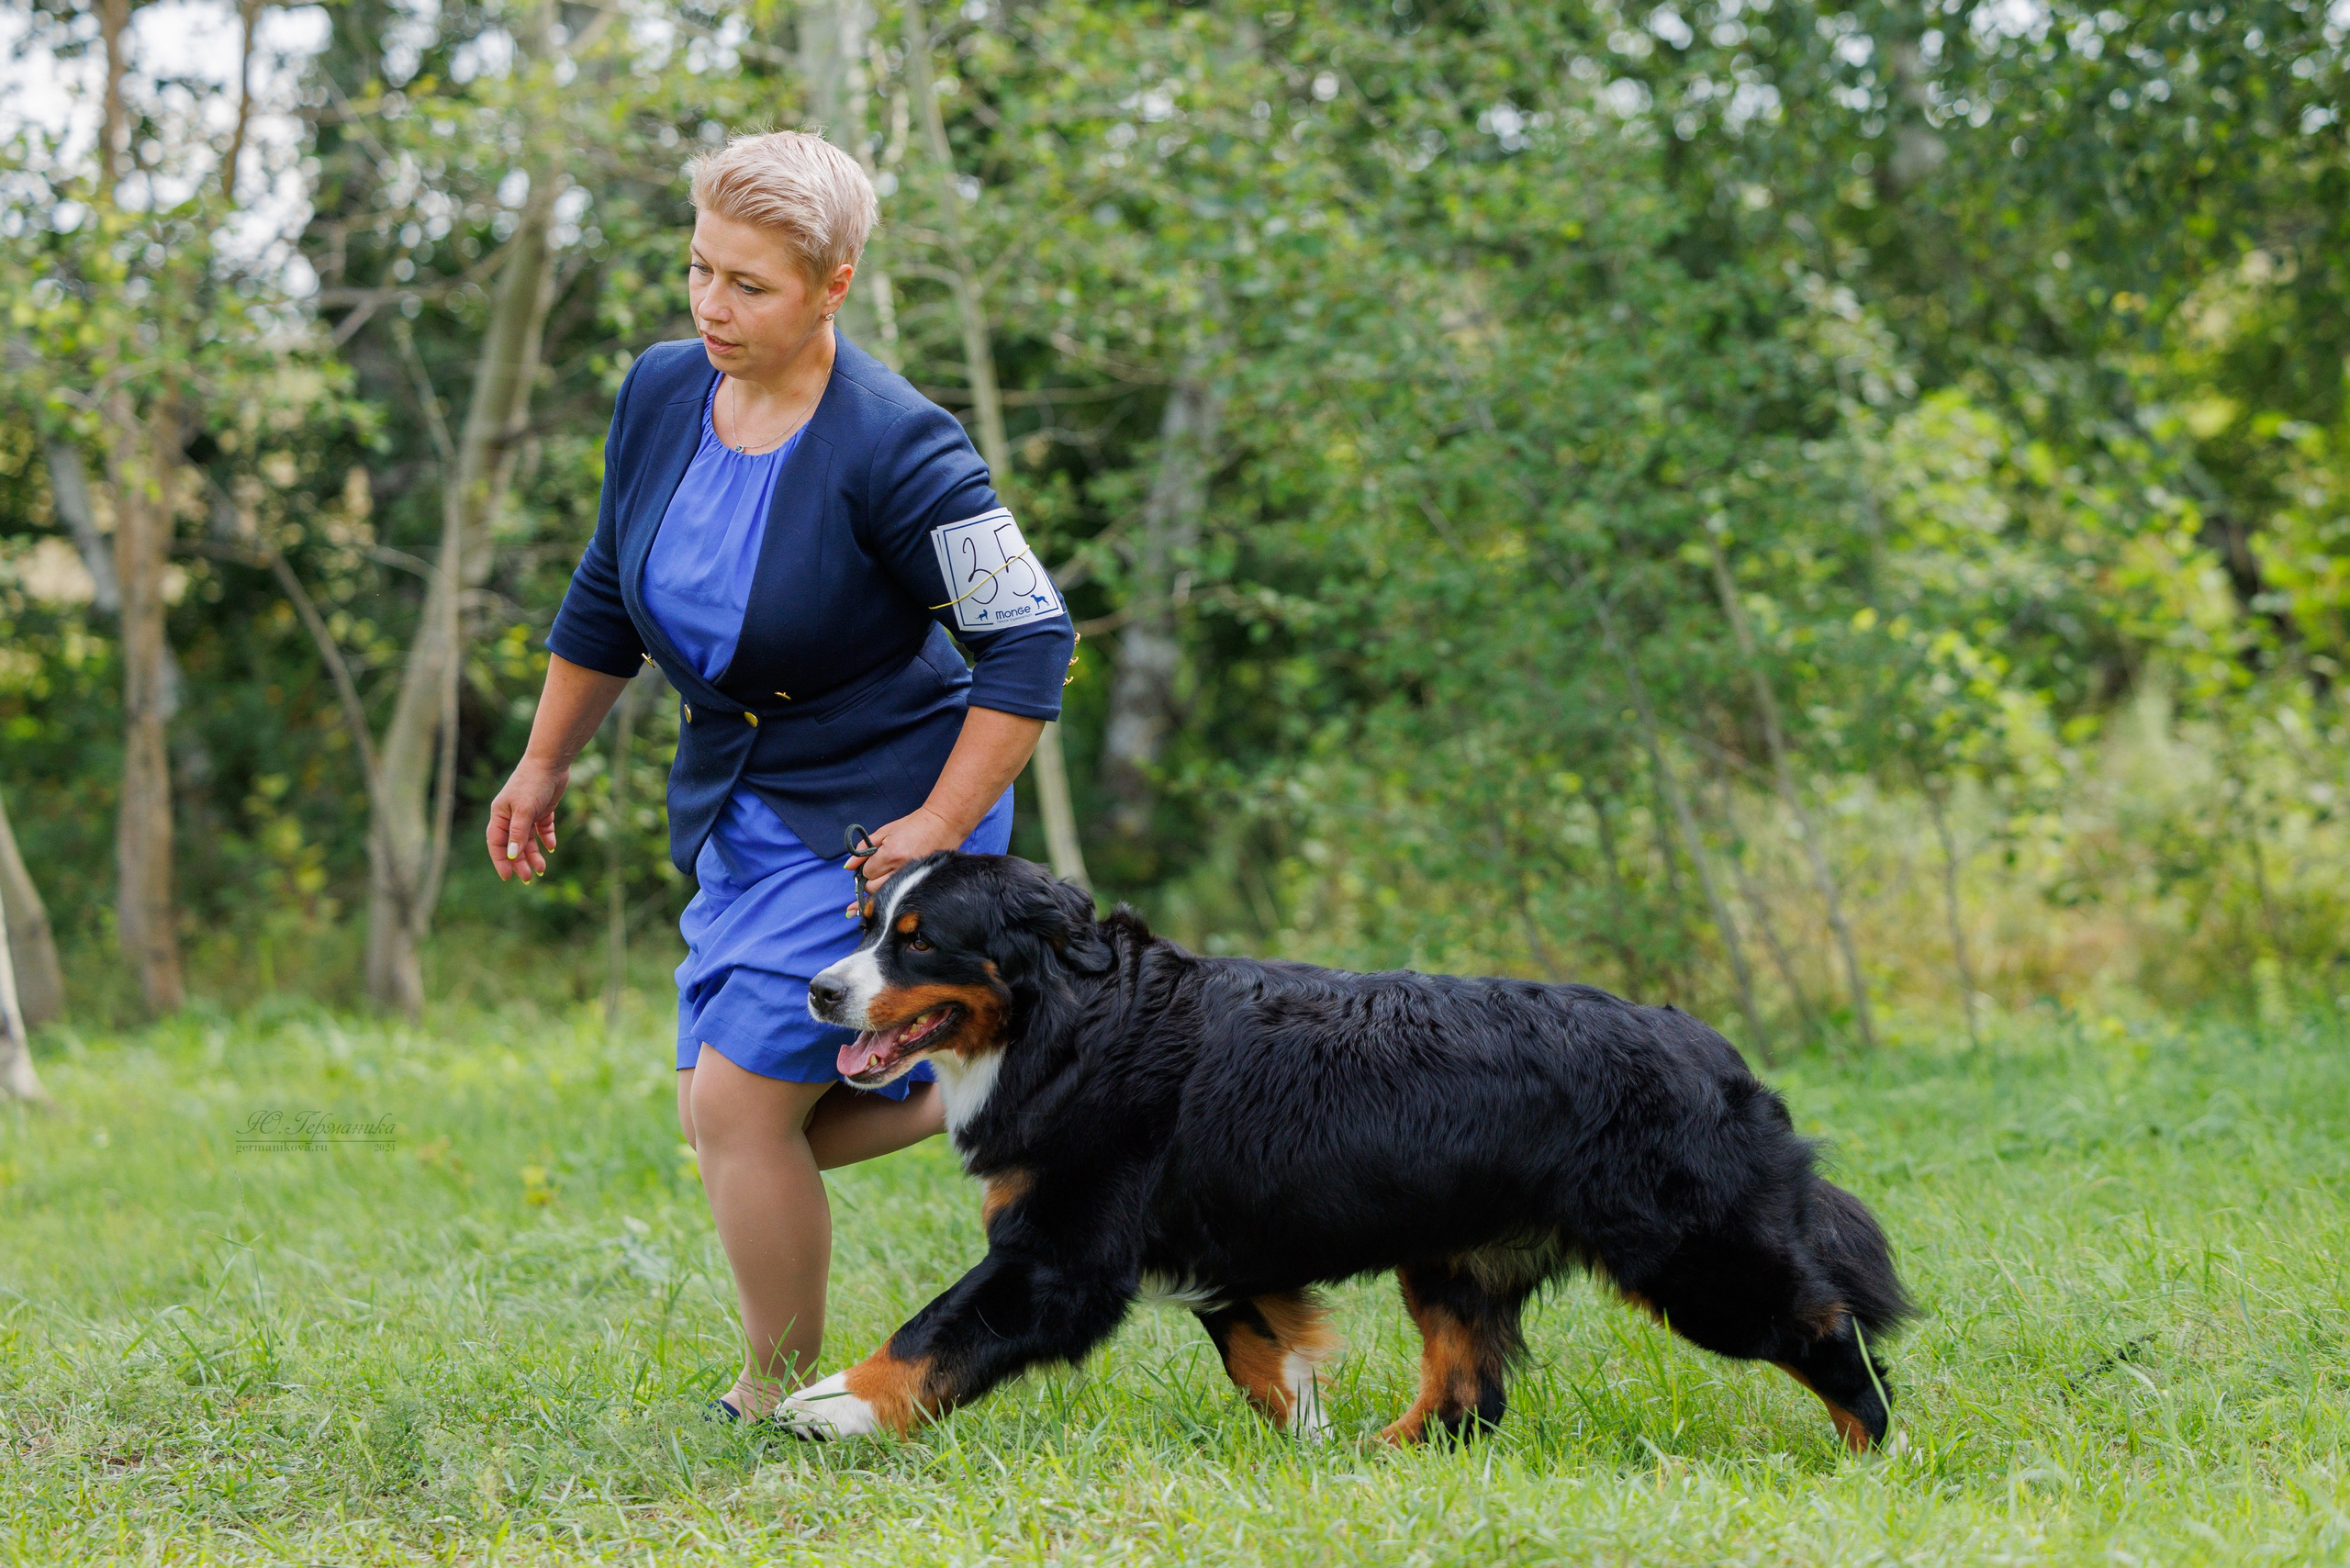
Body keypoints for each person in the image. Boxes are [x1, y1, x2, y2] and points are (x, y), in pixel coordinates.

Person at [484, 130, 1074, 1420]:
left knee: (742, 1109)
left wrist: (934, 825)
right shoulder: (660, 391)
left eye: (749, 285)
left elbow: (1030, 641)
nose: (711, 306)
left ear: (834, 284)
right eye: (700, 269)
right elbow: (605, 593)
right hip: (745, 800)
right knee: (719, 1110)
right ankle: (986, 1070)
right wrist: (542, 763)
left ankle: (776, 1395)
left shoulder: (902, 448)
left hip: (885, 816)